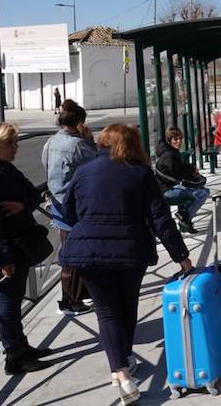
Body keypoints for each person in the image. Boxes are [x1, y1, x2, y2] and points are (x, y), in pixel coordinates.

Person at [59, 124, 192, 405]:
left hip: (88, 251)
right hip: (130, 250)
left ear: (104, 143)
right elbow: (160, 219)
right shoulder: (141, 173)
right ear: (133, 145)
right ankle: (125, 358)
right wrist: (180, 255)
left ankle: (121, 373)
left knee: (106, 312)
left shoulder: (82, 172)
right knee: (127, 305)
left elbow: (68, 214)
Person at [0, 123, 53, 375]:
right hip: (5, 250)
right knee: (8, 304)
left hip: (19, 245)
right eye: (10, 144)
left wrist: (21, 205)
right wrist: (3, 256)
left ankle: (22, 347)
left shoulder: (4, 168)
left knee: (14, 302)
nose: (16, 148)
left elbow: (33, 195)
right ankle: (14, 356)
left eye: (16, 142)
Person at [42, 99, 96, 316]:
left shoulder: (50, 142)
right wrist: (90, 140)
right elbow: (96, 163)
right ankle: (71, 300)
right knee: (75, 253)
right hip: (75, 205)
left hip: (57, 204)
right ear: (79, 123)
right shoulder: (77, 145)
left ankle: (71, 297)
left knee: (67, 250)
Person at [155, 127, 210, 234]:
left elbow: (179, 169)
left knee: (205, 191)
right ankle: (185, 218)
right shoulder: (169, 156)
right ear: (169, 141)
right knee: (202, 194)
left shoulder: (171, 152)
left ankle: (184, 215)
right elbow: (178, 174)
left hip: (172, 187)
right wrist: (191, 170)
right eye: (175, 139)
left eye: (180, 138)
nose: (178, 141)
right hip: (166, 191)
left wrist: (190, 168)